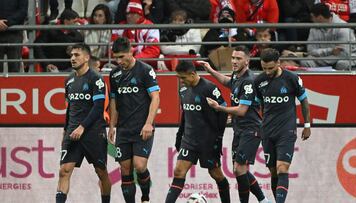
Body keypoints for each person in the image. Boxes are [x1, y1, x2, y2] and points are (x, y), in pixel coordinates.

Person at [199, 46, 271, 203]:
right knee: (239, 170)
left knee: (239, 169)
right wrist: (210, 70)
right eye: (233, 58)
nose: (234, 61)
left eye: (238, 59)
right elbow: (228, 82)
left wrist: (220, 108)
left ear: (247, 60)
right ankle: (263, 200)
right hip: (239, 129)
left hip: (251, 129)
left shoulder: (249, 81)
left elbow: (242, 110)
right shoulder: (237, 76)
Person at [165, 60, 230, 203]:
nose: (181, 81)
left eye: (183, 78)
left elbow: (223, 112)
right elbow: (185, 116)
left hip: (208, 141)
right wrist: (179, 137)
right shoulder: (183, 91)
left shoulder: (209, 88)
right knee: (179, 172)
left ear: (193, 74)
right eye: (179, 78)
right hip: (189, 140)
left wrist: (218, 138)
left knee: (217, 175)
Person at [56, 43, 111, 203]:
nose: (73, 58)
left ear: (86, 58)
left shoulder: (96, 80)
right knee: (64, 171)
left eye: (77, 55)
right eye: (71, 55)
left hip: (93, 133)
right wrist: (65, 130)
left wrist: (83, 127)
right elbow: (69, 108)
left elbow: (98, 107)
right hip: (72, 132)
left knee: (101, 172)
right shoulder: (69, 81)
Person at [254, 48, 311, 203]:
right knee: (273, 172)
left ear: (279, 63)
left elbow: (304, 101)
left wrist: (307, 125)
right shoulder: (259, 81)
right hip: (267, 131)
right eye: (264, 68)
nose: (267, 71)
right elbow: (260, 105)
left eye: (270, 68)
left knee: (282, 168)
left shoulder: (292, 78)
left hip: (286, 130)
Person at [108, 37, 160, 203]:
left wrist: (148, 123)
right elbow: (114, 101)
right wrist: (112, 127)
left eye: (122, 56)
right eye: (116, 57)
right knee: (125, 169)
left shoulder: (145, 70)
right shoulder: (114, 74)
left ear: (131, 52)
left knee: (139, 165)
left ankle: (145, 198)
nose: (119, 61)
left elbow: (155, 98)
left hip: (141, 127)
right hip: (124, 128)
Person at [300, 3, 356, 70]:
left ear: (320, 17)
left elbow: (344, 54)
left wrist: (319, 60)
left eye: (312, 16)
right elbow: (310, 50)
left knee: (342, 64)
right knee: (305, 62)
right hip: (324, 59)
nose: (311, 19)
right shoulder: (313, 28)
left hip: (344, 59)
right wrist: (330, 50)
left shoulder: (343, 28)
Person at [0, 0, 28, 73]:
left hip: (15, 33)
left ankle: (14, 84)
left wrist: (5, 23)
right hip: (14, 32)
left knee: (14, 68)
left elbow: (23, 12)